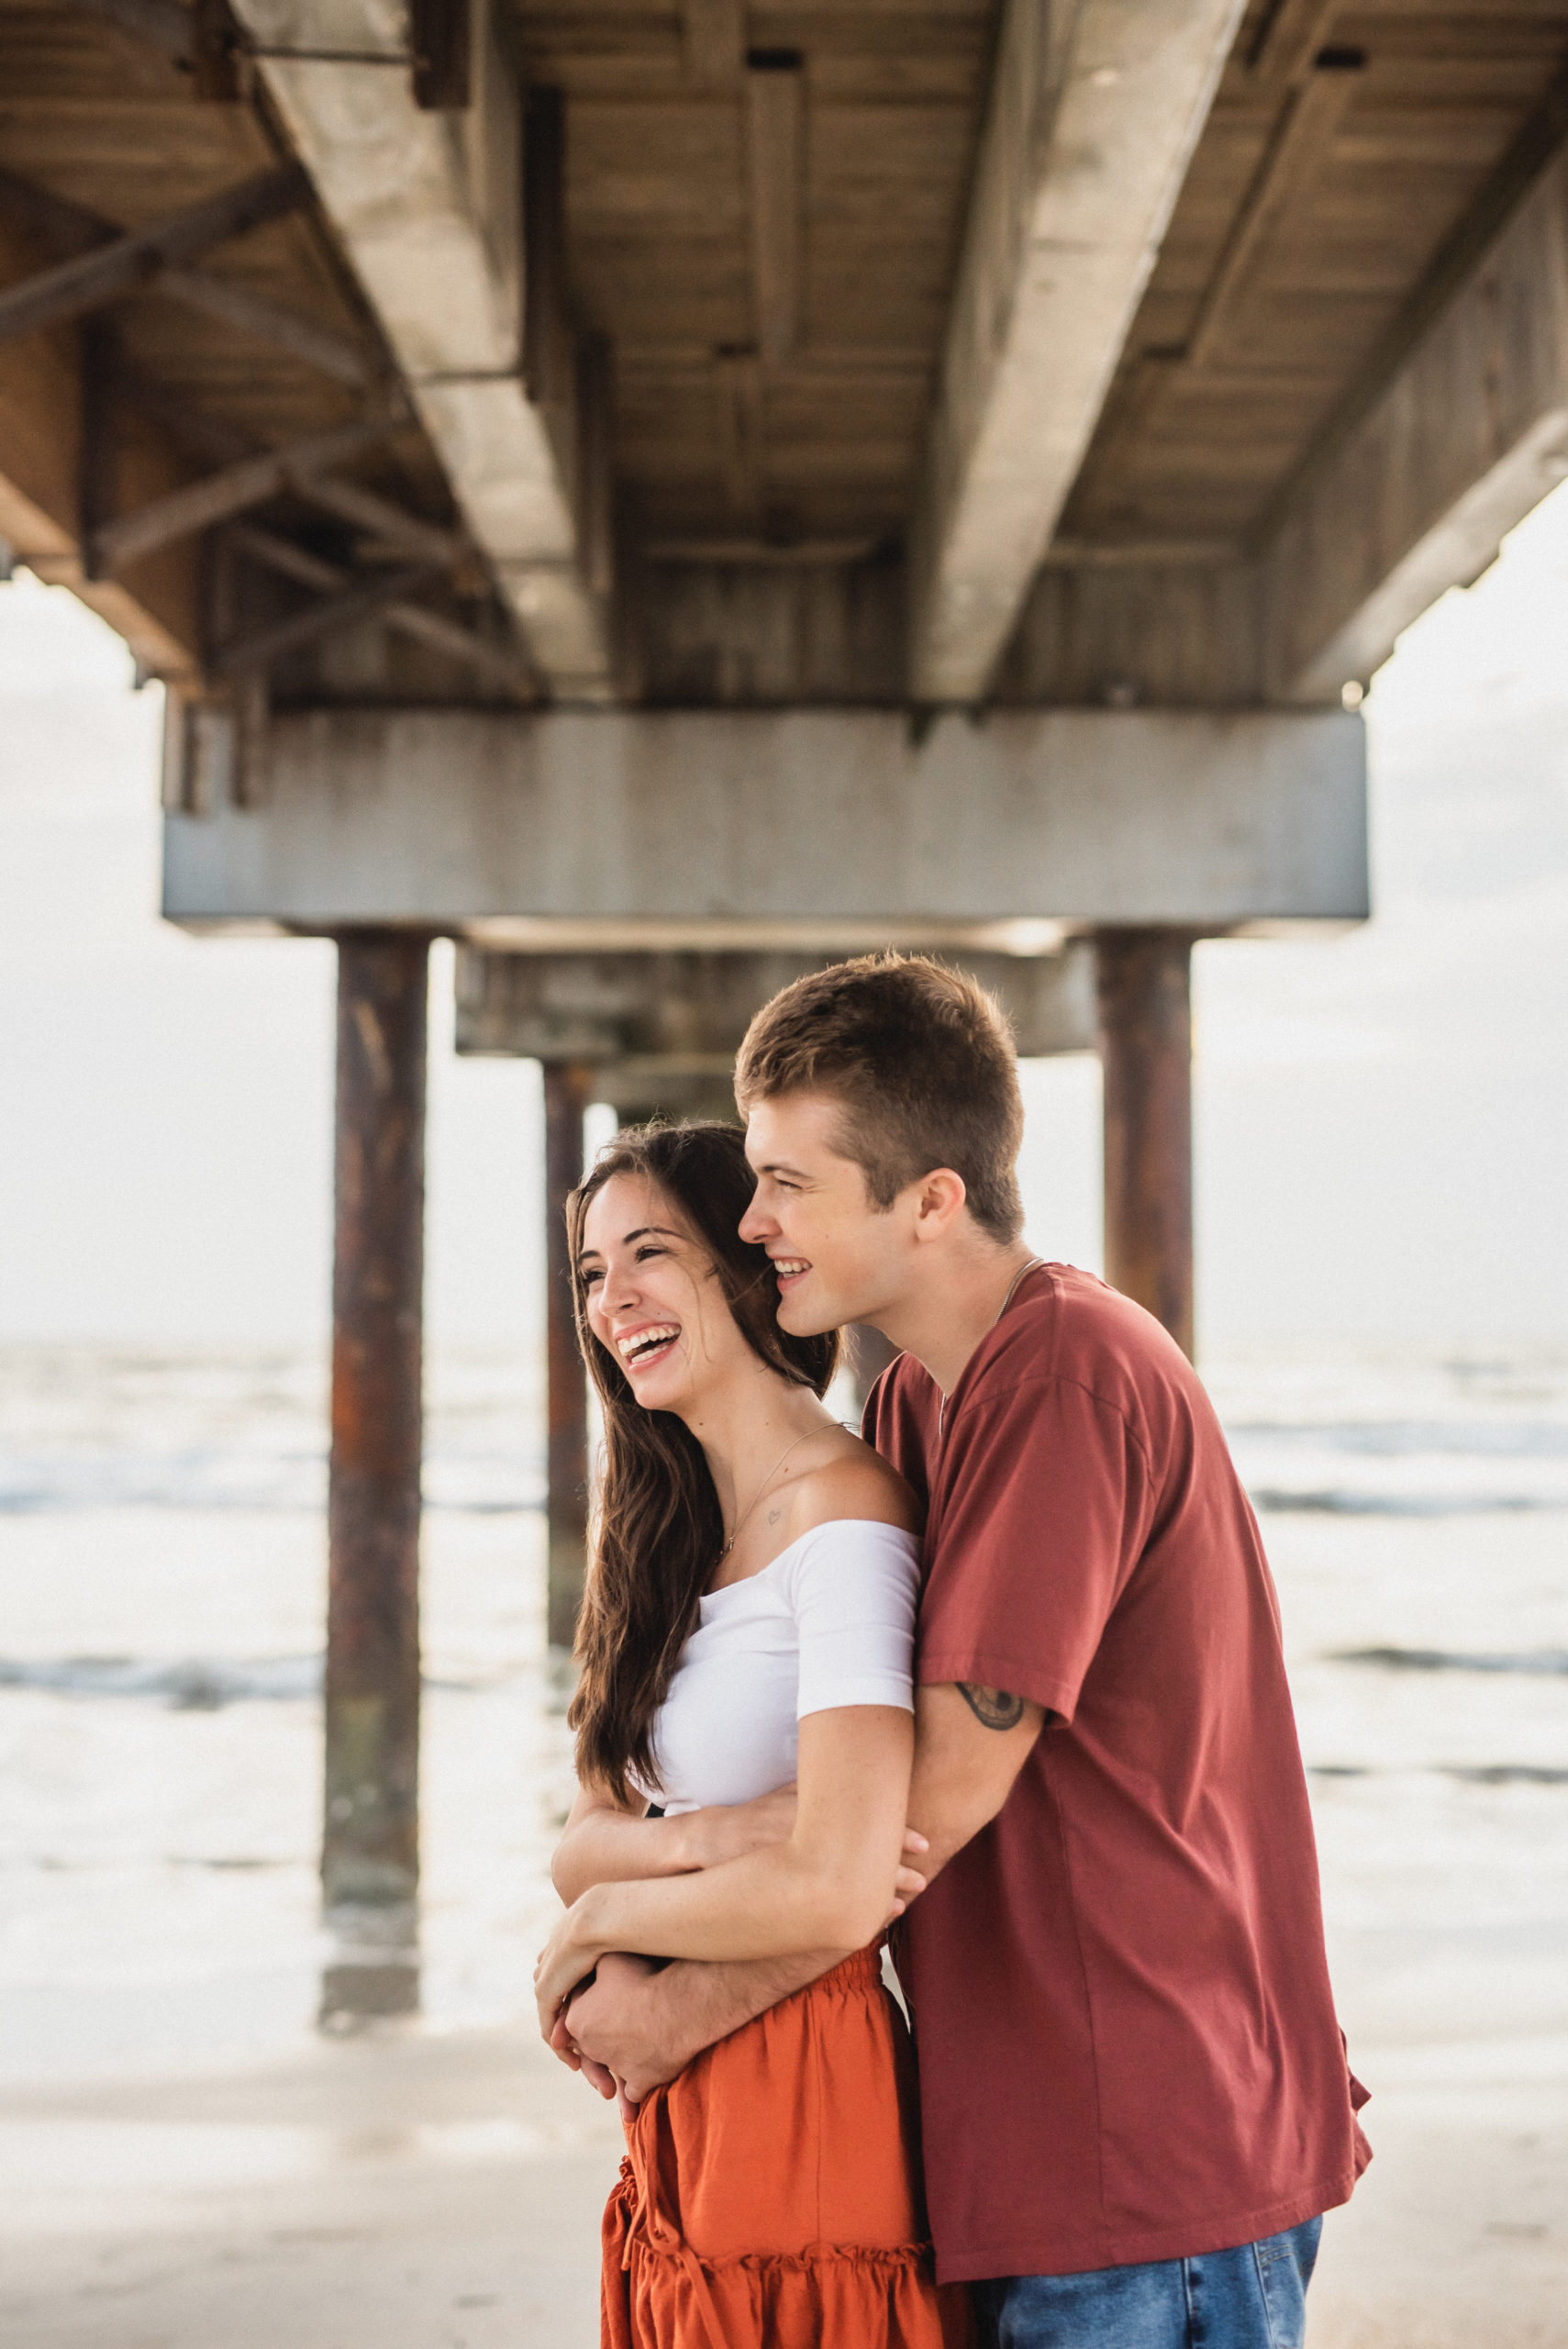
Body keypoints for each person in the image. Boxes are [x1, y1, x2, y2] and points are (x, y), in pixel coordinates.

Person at [555, 953, 1372, 2349]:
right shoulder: (928, 1394)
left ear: (930, 1202)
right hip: (1041, 2128)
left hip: (1144, 2140)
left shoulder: (1065, 1374)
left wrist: (680, 2002)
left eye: (789, 1185)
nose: (753, 1224)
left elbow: (918, 1810)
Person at [536, 1119, 966, 2347]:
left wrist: (600, 1921)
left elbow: (833, 1892)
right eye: (589, 1273)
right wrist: (715, 1839)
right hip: (683, 2110)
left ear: (747, 1270)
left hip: (800, 2085)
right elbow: (579, 1839)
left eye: (649, 1255)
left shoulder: (844, 1523)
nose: (613, 1299)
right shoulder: (658, 1536)